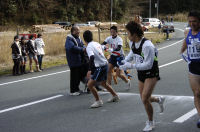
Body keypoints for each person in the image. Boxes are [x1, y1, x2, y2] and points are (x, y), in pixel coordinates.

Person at [120, 21, 165, 131]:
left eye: (128, 33)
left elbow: (148, 65)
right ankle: (159, 100)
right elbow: (133, 52)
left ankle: (151, 122)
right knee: (145, 98)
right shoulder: (133, 42)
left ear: (134, 34)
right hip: (141, 71)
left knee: (145, 98)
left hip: (151, 72)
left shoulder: (147, 45)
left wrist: (131, 65)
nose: (127, 35)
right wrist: (124, 61)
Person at [83, 30, 119, 108]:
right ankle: (115, 96)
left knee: (90, 84)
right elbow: (103, 47)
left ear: (84, 39)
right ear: (92, 37)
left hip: (100, 67)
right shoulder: (96, 43)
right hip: (105, 64)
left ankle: (98, 101)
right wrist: (105, 47)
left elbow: (91, 57)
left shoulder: (89, 47)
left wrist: (89, 70)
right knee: (103, 83)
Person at [180, 11, 200, 128]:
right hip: (193, 66)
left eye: (195, 21)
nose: (192, 24)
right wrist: (182, 54)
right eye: (190, 21)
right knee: (197, 93)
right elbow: (185, 45)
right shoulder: (187, 32)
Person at [65, 26, 86, 96]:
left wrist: (84, 48)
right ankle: (73, 91)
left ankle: (77, 89)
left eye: (79, 30)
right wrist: (82, 49)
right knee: (74, 76)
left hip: (79, 60)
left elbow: (82, 45)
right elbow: (71, 48)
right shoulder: (69, 39)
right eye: (77, 30)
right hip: (73, 60)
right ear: (73, 31)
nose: (79, 32)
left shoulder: (78, 38)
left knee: (78, 75)